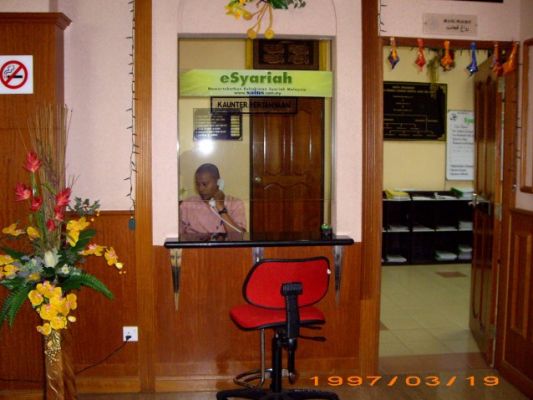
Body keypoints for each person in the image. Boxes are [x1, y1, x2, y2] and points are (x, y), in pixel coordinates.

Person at [179, 163, 246, 235]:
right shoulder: (187, 205)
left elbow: (240, 237)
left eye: (205, 184)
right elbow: (177, 237)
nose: (200, 189)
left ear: (218, 182)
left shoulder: (235, 204)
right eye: (198, 184)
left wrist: (221, 208)